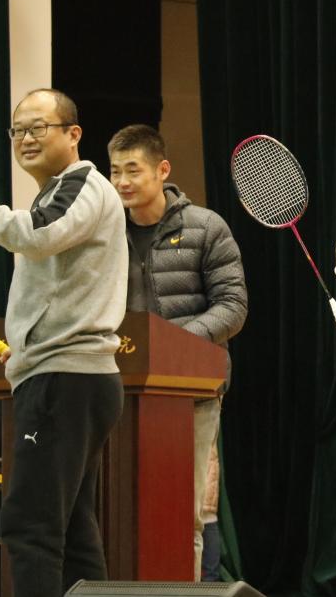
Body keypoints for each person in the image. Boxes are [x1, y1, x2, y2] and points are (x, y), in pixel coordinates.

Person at [0, 89, 125, 597]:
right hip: (66, 375)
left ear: (73, 134)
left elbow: (36, 235)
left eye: (37, 127)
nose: (25, 138)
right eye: (18, 130)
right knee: (71, 530)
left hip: (66, 377)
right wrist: (23, 349)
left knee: (30, 525)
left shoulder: (81, 183)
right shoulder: (58, 192)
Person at [107, 124, 247, 580]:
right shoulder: (105, 232)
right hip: (117, 389)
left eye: (133, 170)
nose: (122, 182)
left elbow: (233, 307)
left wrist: (170, 343)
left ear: (162, 170)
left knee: (181, 512)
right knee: (117, 508)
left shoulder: (205, 227)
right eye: (115, 172)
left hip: (191, 392)